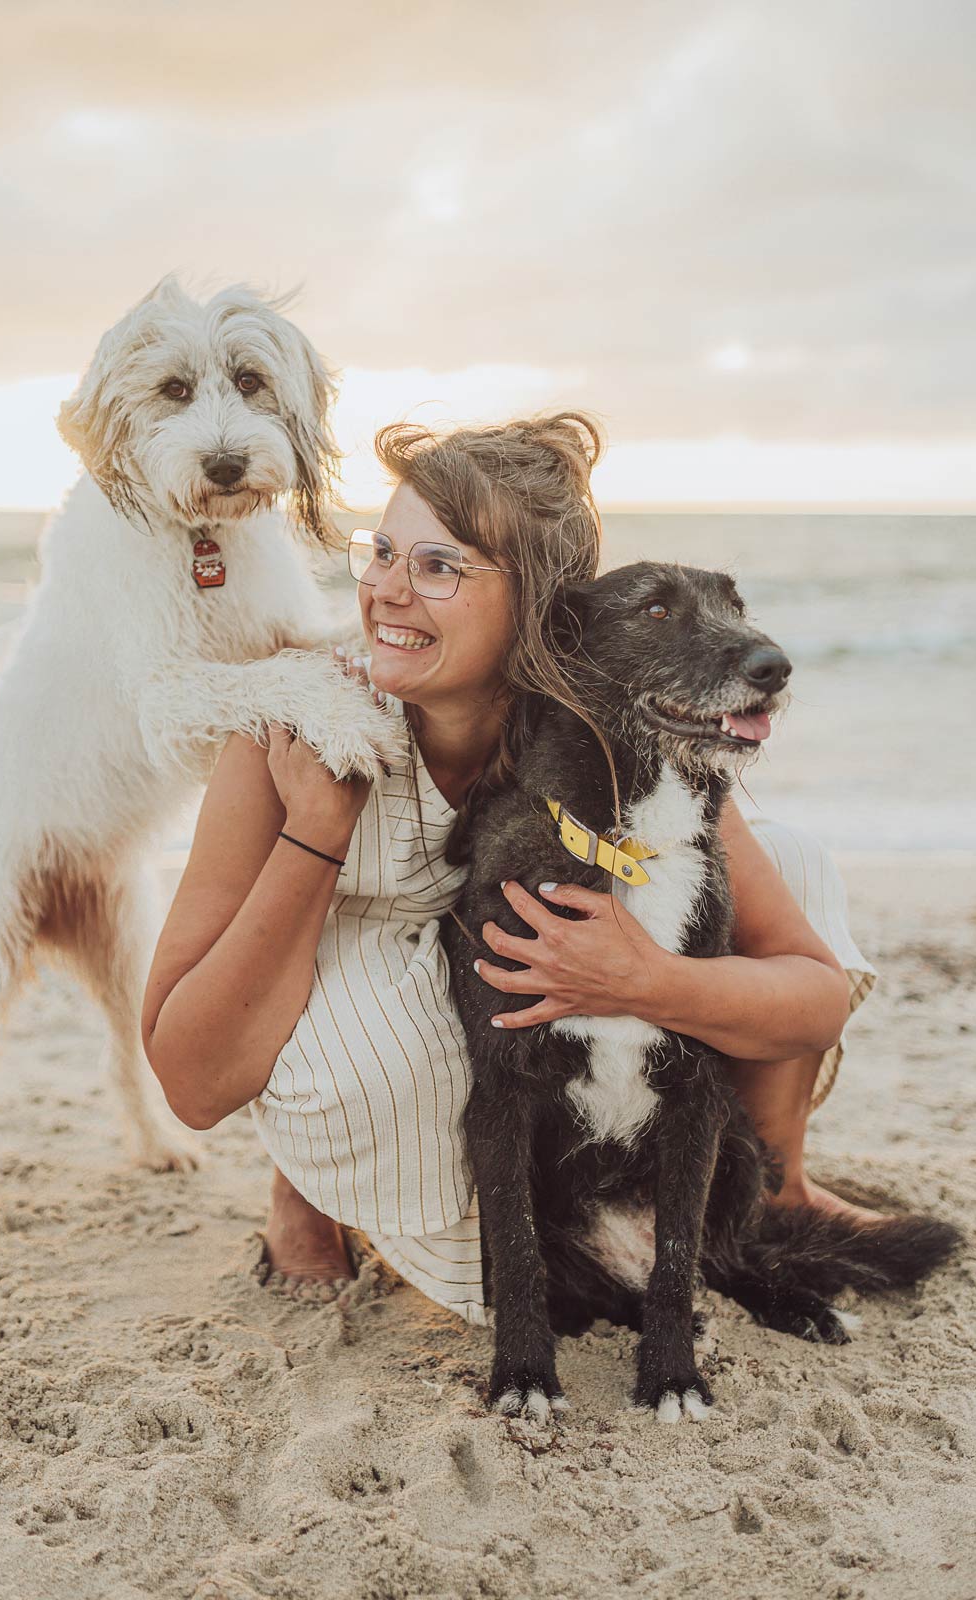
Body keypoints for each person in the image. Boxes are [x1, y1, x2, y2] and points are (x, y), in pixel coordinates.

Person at [141, 413, 881, 1323]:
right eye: (383, 553)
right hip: (354, 966)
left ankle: (775, 1180)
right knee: (393, 1062)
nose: (386, 592)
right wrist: (319, 830)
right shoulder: (296, 718)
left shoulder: (604, 718)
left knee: (788, 864)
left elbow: (813, 995)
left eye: (440, 566)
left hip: (525, 969)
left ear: (539, 610)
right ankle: (313, 1191)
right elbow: (190, 1080)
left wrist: (652, 980)